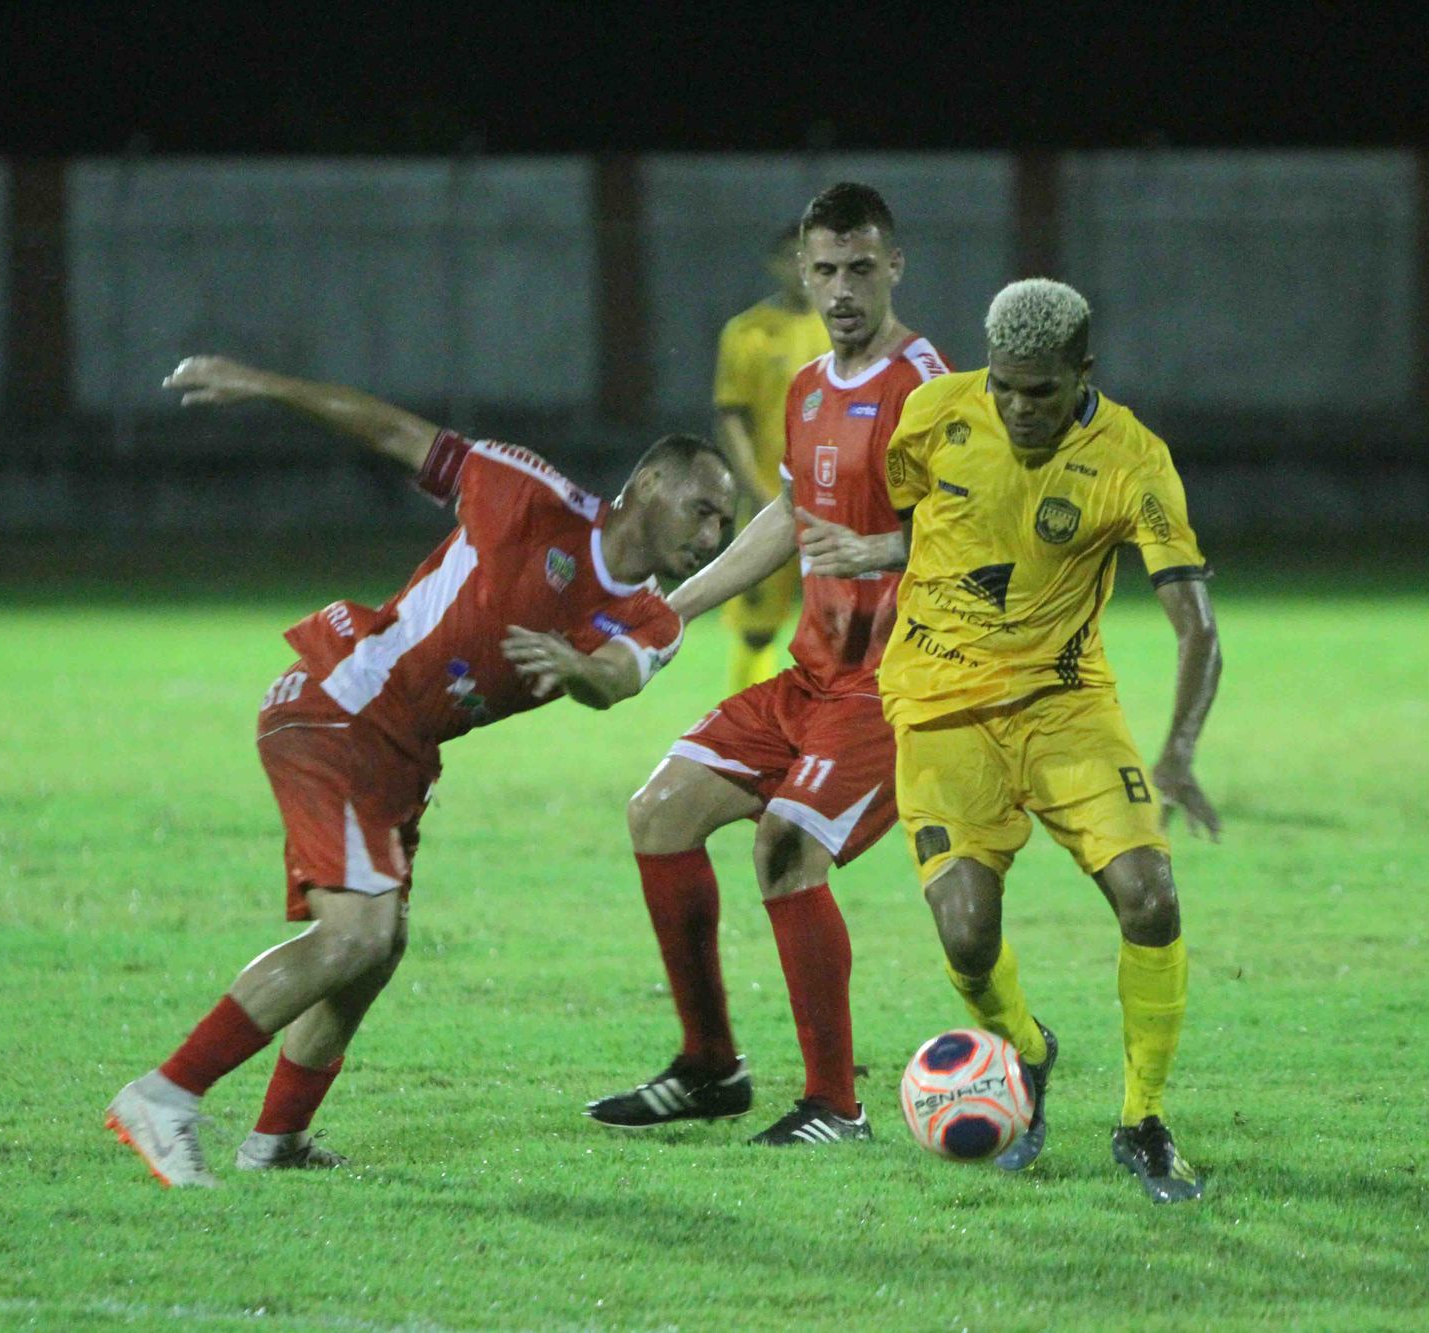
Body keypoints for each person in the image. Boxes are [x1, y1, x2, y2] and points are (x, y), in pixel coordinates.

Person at [105, 355, 735, 1188]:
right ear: (650, 481)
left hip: (403, 750)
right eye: (702, 510)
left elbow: (617, 678)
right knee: (354, 933)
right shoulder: (527, 493)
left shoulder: (653, 617)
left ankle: (277, 1139)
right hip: (341, 701)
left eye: (726, 524)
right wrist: (271, 385)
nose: (712, 537)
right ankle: (165, 1093)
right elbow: (393, 431)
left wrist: (575, 668)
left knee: (377, 946)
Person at [586, 183, 951, 1146]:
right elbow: (788, 520)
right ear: (802, 270)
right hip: (807, 675)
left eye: (860, 269)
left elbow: (973, 532)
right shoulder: (806, 387)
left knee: (785, 846)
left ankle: (836, 1104)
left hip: (892, 686)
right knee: (658, 813)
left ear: (894, 267)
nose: (841, 290)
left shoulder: (928, 386)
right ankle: (711, 1065)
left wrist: (880, 552)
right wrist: (663, 615)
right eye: (824, 269)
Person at [844, 278, 1222, 1195]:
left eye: (1041, 391)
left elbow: (1197, 627)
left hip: (1065, 706)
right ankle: (1027, 1052)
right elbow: (906, 524)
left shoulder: (1133, 459)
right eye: (1005, 385)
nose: (1018, 407)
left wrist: (1177, 750)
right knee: (968, 936)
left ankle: (1143, 1121)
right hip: (939, 711)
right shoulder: (931, 416)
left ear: (1083, 373)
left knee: (1152, 899)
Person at [713, 225, 831, 693]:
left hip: (833, 504)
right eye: (790, 257)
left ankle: (833, 730)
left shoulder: (843, 330)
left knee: (839, 624)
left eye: (810, 259)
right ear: (775, 264)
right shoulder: (746, 332)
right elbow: (730, 417)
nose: (800, 269)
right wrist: (754, 486)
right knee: (757, 626)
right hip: (768, 501)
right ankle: (749, 732)